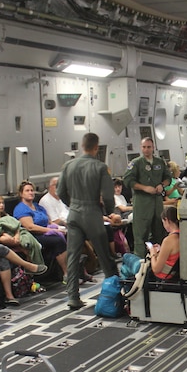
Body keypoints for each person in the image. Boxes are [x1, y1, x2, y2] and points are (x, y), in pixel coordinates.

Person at [58, 132, 121, 310]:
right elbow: (108, 196)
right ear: (96, 147)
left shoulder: (68, 165)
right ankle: (115, 294)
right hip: (93, 214)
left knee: (72, 256)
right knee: (105, 256)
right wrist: (109, 213)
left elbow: (61, 191)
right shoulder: (100, 168)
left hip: (74, 215)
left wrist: (72, 205)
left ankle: (73, 297)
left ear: (82, 146)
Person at [122, 137, 171, 258]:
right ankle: (140, 263)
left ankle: (158, 259)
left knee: (159, 231)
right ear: (141, 148)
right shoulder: (136, 163)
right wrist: (144, 188)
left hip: (157, 203)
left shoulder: (160, 162)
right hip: (142, 203)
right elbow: (127, 180)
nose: (146, 150)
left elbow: (168, 178)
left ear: (153, 148)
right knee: (141, 234)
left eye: (149, 147)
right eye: (144, 147)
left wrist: (162, 185)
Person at [13, 180, 69, 280]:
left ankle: (78, 270)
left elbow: (49, 221)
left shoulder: (37, 206)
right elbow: (30, 227)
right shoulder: (21, 209)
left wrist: (58, 228)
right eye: (27, 191)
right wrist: (50, 230)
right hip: (33, 235)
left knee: (69, 234)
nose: (30, 192)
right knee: (58, 240)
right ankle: (66, 273)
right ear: (21, 194)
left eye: (32, 190)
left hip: (45, 231)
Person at [0, 195, 46, 267]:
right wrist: (5, 234)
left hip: (12, 235)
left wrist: (17, 235)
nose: (1, 205)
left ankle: (28, 249)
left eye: (3, 203)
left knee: (24, 235)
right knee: (4, 239)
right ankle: (21, 246)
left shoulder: (6, 216)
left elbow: (15, 226)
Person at [148, 206, 180, 281]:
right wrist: (161, 249)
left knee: (127, 257)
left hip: (163, 275)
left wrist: (152, 252)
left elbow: (156, 269)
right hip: (173, 272)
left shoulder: (168, 240)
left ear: (166, 220)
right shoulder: (183, 235)